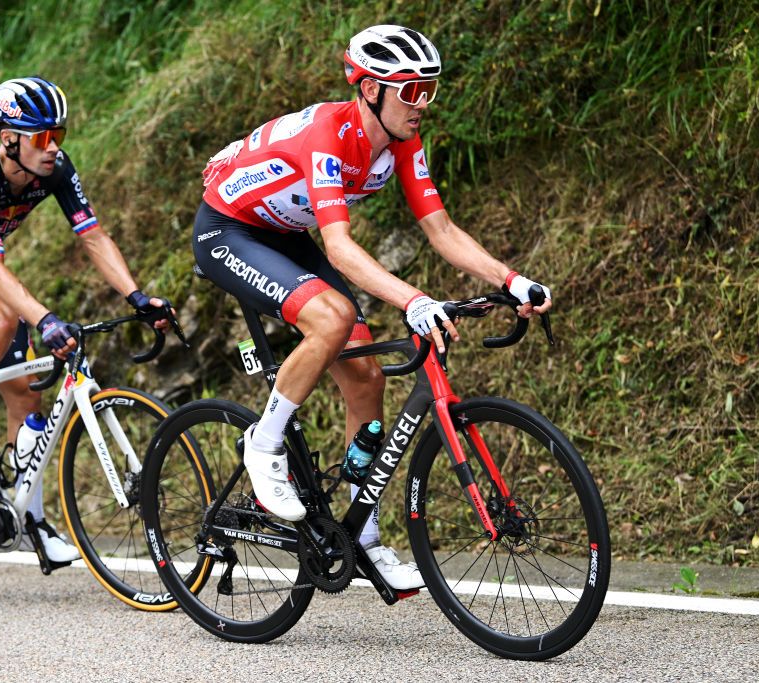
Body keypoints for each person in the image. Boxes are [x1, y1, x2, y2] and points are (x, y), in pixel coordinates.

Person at [193, 26, 552, 590]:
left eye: (428, 90)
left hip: (285, 234)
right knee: (331, 318)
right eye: (410, 91)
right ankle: (262, 447)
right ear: (368, 90)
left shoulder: (404, 143)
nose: (422, 105)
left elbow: (441, 228)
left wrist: (511, 279)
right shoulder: (327, 137)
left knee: (365, 378)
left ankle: (361, 538)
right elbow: (338, 246)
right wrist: (412, 299)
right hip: (230, 231)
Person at [0, 76, 167, 563]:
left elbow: (94, 237)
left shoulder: (55, 170)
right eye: (42, 138)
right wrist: (44, 319)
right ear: (8, 139)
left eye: (59, 134)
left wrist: (137, 295)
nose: (53, 147)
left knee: (27, 392)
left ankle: (32, 520)